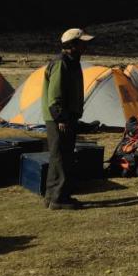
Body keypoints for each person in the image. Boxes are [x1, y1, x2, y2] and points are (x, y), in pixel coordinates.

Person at [41, 28, 94, 210]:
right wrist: (61, 118)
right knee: (62, 157)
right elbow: (55, 95)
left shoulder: (71, 62)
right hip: (59, 118)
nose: (86, 46)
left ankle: (52, 197)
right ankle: (59, 199)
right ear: (72, 45)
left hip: (65, 117)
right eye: (82, 43)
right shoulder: (61, 63)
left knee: (59, 156)